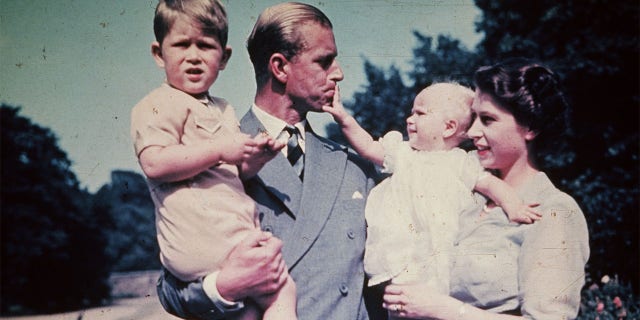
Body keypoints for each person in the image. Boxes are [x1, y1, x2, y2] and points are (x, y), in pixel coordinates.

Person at [155, 2, 385, 320]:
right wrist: (225, 286)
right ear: (279, 67)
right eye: (324, 61)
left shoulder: (354, 169)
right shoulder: (208, 157)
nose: (339, 73)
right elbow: (170, 290)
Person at [381, 58, 590, 319]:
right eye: (474, 118)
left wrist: (444, 309)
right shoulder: (464, 195)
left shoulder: (554, 211)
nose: (472, 132)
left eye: (488, 120)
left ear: (531, 128)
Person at [130, 0, 297, 319]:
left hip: (229, 233)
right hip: (202, 237)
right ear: (158, 54)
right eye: (181, 45)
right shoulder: (156, 105)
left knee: (251, 309)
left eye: (205, 46)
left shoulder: (222, 108)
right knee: (281, 288)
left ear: (224, 58)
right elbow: (154, 164)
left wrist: (256, 158)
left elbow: (235, 172)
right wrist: (221, 148)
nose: (193, 57)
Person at [324, 83, 541, 299]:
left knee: (435, 297)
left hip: (441, 250)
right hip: (401, 252)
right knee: (400, 300)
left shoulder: (461, 163)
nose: (410, 119)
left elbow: (493, 186)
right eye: (411, 113)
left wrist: (514, 206)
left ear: (449, 127)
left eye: (420, 113)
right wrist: (344, 119)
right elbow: (369, 147)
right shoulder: (404, 153)